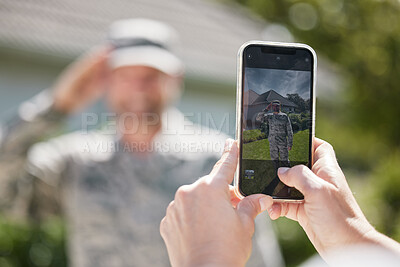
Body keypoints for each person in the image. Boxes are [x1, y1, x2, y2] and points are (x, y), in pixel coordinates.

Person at [0, 19, 280, 267]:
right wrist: (55, 106)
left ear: (175, 79)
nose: (138, 88)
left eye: (150, 76)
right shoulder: (75, 160)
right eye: (125, 76)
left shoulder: (222, 161)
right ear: (105, 79)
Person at [160, 138, 400, 267]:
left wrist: (208, 260)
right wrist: (353, 237)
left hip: (281, 146)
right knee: (276, 164)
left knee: (282, 163)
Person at [256, 100, 293, 195]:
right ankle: (277, 176)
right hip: (272, 142)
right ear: (272, 107)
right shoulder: (269, 116)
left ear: (280, 106)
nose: (275, 107)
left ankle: (288, 181)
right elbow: (258, 118)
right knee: (274, 160)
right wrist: (266, 109)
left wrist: (290, 143)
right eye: (273, 106)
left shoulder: (284, 116)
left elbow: (289, 130)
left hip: (282, 142)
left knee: (285, 160)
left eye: (277, 106)